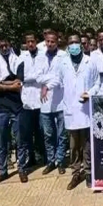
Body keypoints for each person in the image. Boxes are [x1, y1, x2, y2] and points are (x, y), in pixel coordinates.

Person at [61, 34, 100, 190]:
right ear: (67, 46)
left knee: (88, 144)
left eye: (77, 42)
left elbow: (97, 83)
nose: (74, 45)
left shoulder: (90, 62)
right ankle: (76, 172)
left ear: (82, 45)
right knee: (73, 146)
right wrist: (46, 86)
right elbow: (56, 80)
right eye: (71, 42)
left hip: (85, 109)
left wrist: (89, 93)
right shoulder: (62, 63)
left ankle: (90, 173)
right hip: (70, 109)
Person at [0, 36, 26, 186]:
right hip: (1, 106)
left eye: (6, 45)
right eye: (1, 46)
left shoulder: (18, 60)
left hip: (17, 104)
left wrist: (2, 83)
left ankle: (22, 168)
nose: (4, 48)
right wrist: (9, 85)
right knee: (2, 140)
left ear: (10, 45)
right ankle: (3, 171)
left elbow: (19, 83)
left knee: (20, 139)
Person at [37, 32, 68, 174]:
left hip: (60, 100)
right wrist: (49, 80)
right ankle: (51, 161)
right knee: (48, 134)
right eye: (48, 41)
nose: (50, 44)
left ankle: (60, 160)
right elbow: (37, 77)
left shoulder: (64, 56)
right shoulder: (40, 56)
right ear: (45, 42)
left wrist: (47, 84)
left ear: (57, 42)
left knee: (62, 134)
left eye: (53, 42)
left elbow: (61, 78)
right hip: (45, 102)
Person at [18, 32, 46, 172]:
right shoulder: (22, 57)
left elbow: (45, 74)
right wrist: (36, 77)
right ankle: (31, 158)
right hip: (27, 99)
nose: (30, 44)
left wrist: (35, 77)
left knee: (42, 131)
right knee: (27, 133)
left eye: (32, 41)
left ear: (36, 41)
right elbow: (20, 77)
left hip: (41, 98)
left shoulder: (43, 55)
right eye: (28, 42)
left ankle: (45, 157)